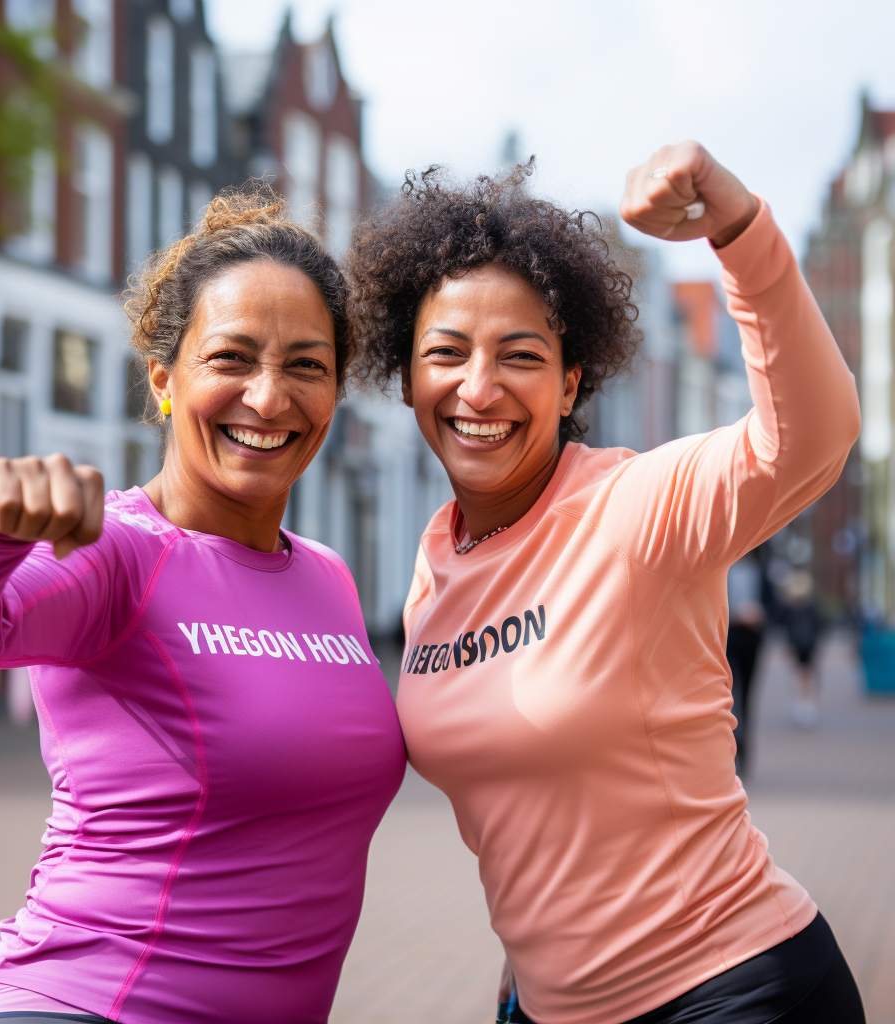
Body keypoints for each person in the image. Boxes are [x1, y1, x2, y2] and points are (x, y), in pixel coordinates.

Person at [348, 143, 865, 1023]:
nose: (479, 387)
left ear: (568, 382)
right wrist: (533, 952)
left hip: (730, 988)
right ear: (405, 378)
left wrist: (739, 231)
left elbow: (810, 436)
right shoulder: (437, 567)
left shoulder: (632, 505)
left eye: (519, 355)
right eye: (446, 352)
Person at [0, 192, 406, 1024]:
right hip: (83, 1003)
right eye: (231, 358)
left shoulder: (331, 578)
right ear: (164, 377)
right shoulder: (115, 552)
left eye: (306, 365)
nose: (269, 399)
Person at [726, 549, 766, 771]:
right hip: (728, 639)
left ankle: (745, 753)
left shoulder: (759, 572)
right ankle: (730, 749)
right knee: (730, 696)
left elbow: (772, 604)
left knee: (748, 697)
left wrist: (761, 613)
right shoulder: (723, 570)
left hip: (752, 641)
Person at [779, 568, 822, 727]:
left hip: (797, 644)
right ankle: (807, 705)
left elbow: (783, 625)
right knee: (807, 675)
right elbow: (820, 626)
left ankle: (802, 705)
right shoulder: (811, 606)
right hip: (808, 644)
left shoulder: (790, 608)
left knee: (799, 675)